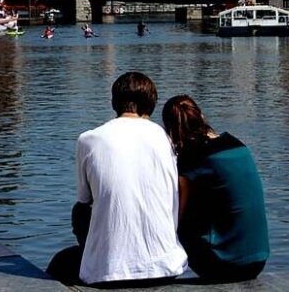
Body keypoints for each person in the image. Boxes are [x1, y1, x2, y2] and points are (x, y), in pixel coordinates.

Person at [47, 72, 188, 286]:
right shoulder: (164, 138)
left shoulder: (89, 139)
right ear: (150, 105)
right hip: (166, 267)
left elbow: (84, 202)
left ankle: (99, 254)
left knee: (76, 222)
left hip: (107, 272)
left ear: (114, 103)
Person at [162, 95, 269, 283]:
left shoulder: (192, 157)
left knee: (177, 222)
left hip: (225, 265)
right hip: (258, 260)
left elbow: (177, 215)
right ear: (202, 116)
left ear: (171, 131)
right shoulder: (236, 144)